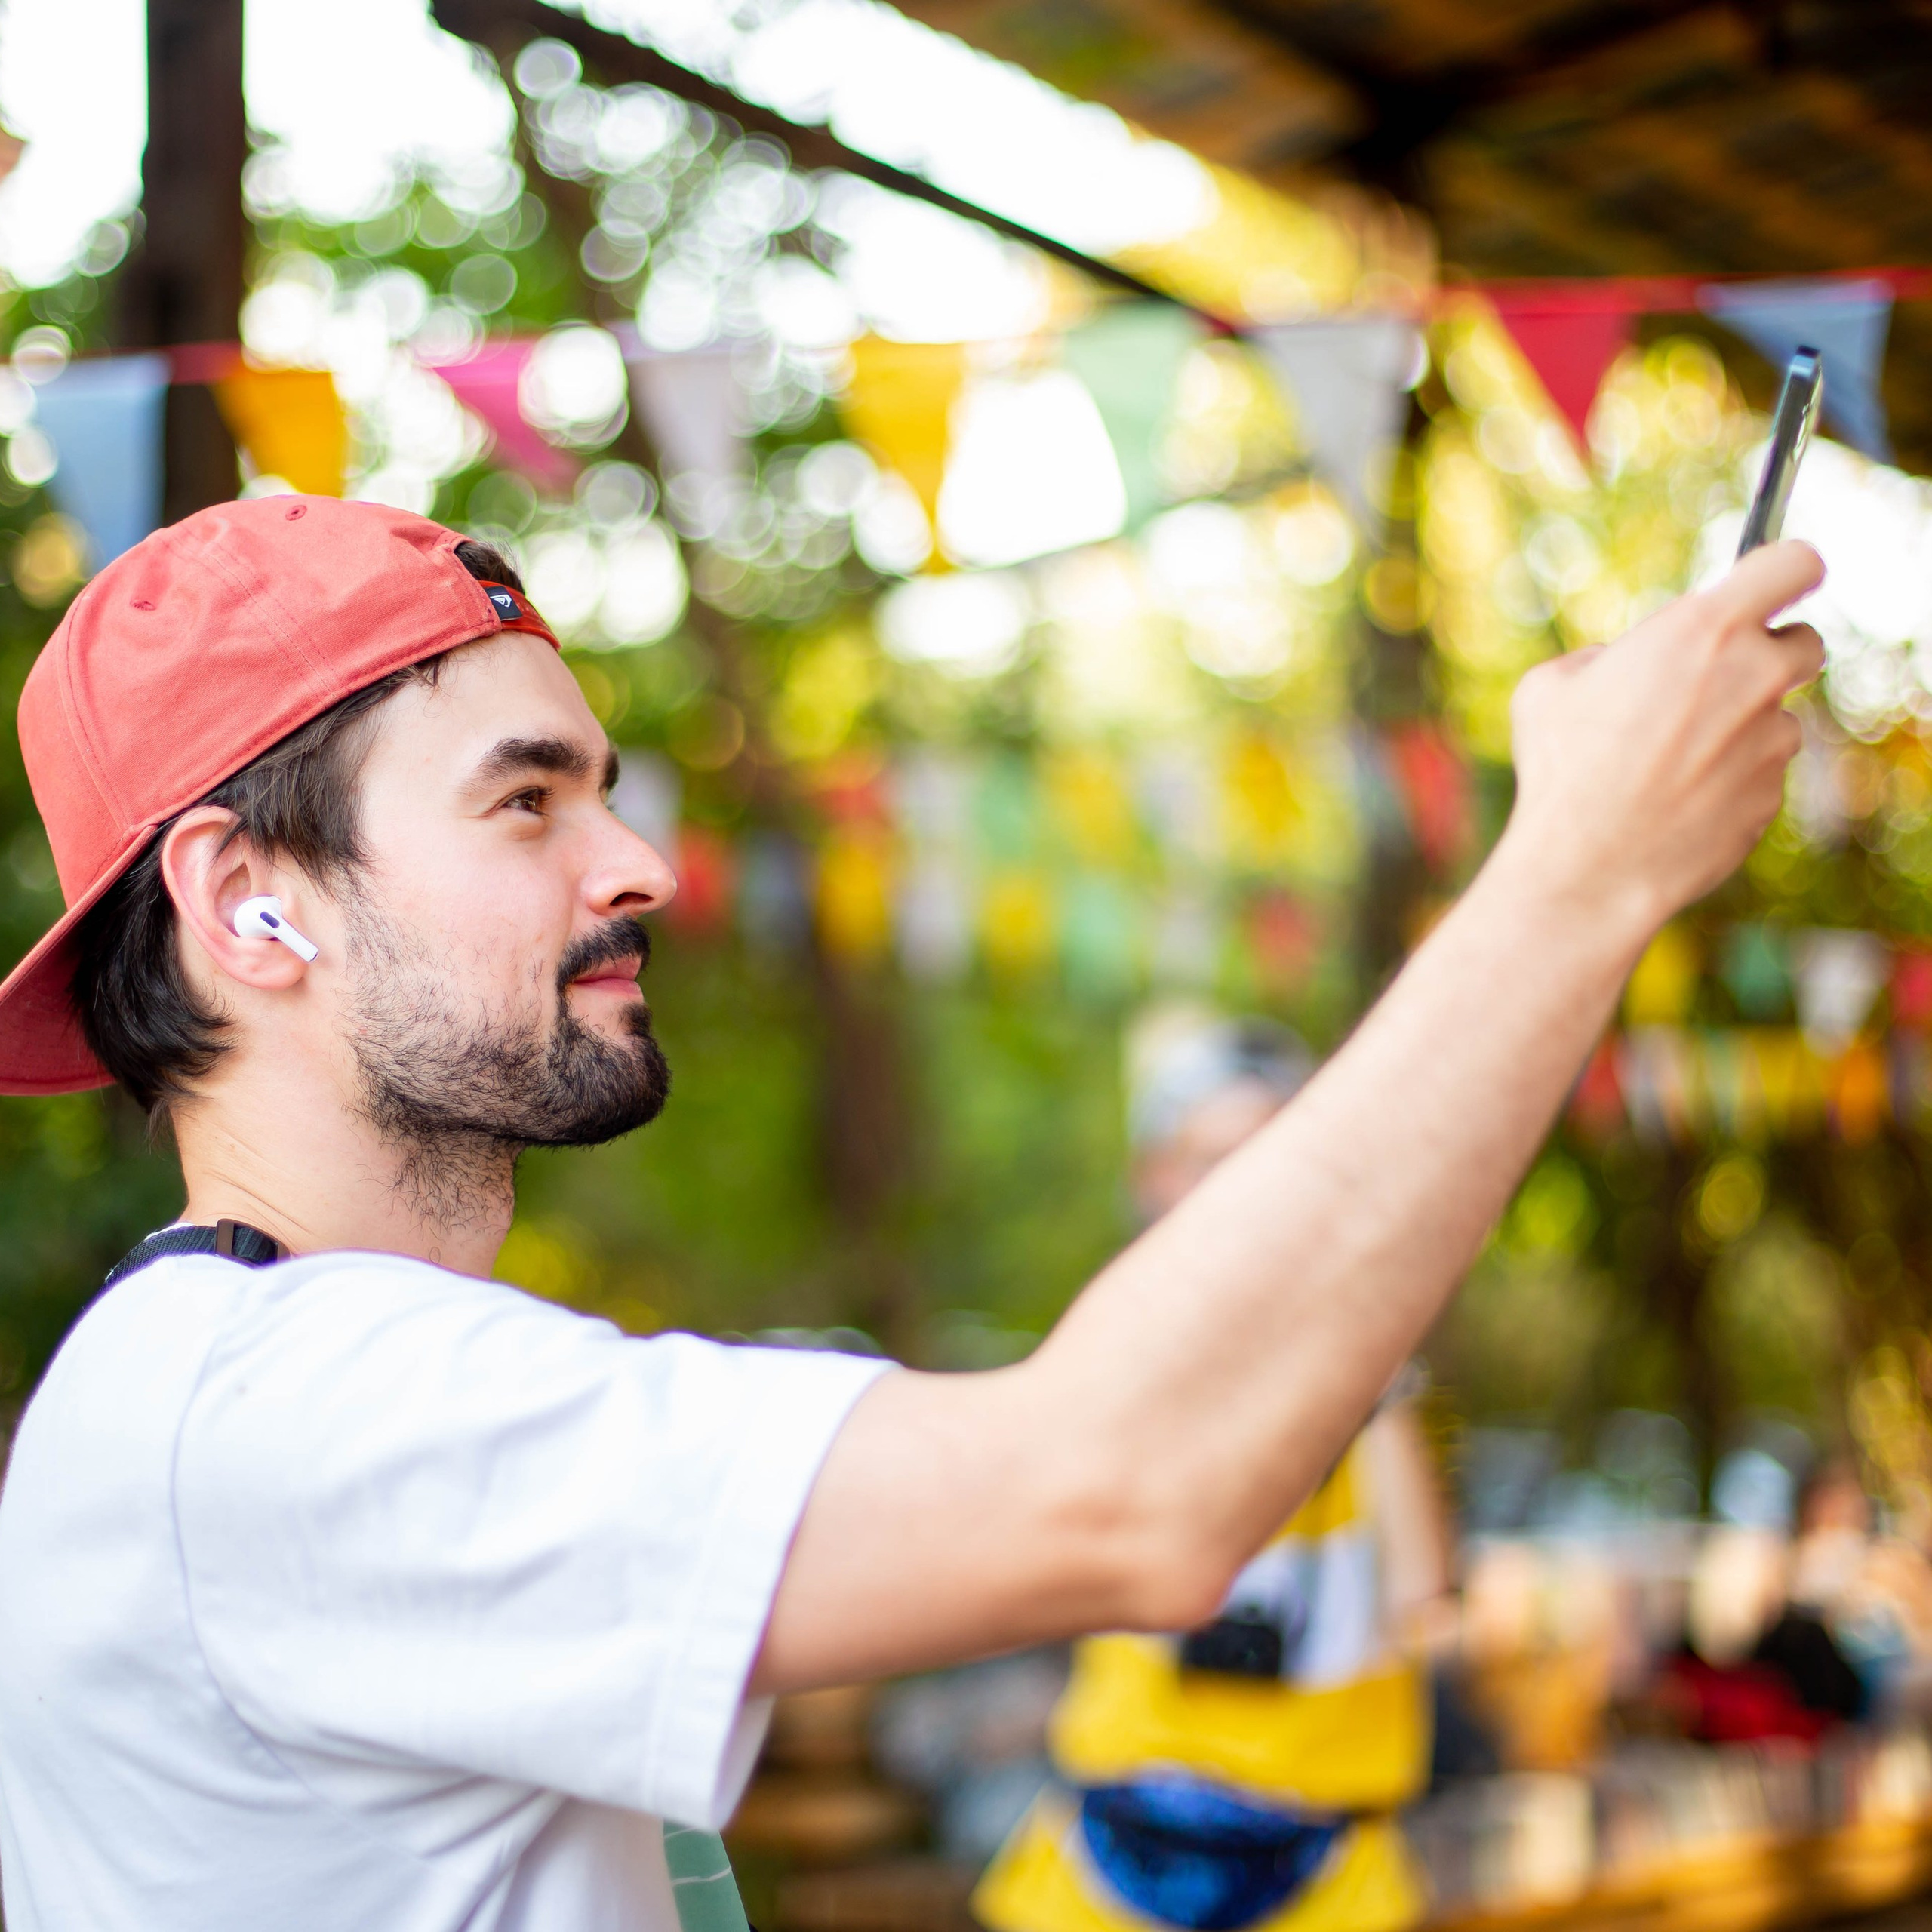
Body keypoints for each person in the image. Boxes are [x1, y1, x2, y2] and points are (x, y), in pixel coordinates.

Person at [0, 496, 1821, 1930]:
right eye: (525, 801)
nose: (635, 862)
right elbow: (1122, 1479)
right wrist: (1582, 867)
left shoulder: (244, 1381)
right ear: (248, 903)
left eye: (603, 790)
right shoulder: (286, 1418)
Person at [977, 1011, 1450, 1932]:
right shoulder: (1108, 1357)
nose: (1242, 1185)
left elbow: (1424, 1598)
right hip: (1111, 1860)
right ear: (1154, 1177)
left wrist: (1375, 1359)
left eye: (1270, 1155)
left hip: (1328, 1869)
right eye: (1211, 1157)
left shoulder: (1372, 1377)